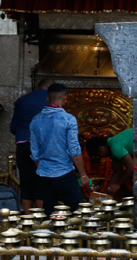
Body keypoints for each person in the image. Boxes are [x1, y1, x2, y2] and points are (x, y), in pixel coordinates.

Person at [29, 83, 91, 207]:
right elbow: (74, 149)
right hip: (64, 173)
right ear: (65, 99)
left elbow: (34, 152)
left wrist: (44, 169)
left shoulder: (35, 120)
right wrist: (83, 175)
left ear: (47, 98)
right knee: (76, 211)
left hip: (44, 174)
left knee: (48, 212)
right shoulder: (68, 119)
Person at [11, 78, 53, 209]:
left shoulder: (22, 100)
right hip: (42, 146)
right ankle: (40, 220)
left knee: (26, 182)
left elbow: (13, 127)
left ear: (36, 86)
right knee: (42, 182)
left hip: (23, 144)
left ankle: (27, 219)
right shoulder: (51, 100)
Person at [86, 128, 134, 199]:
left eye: (98, 155)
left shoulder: (115, 147)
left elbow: (132, 167)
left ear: (101, 148)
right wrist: (107, 192)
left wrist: (118, 184)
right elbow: (117, 172)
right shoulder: (112, 150)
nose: (101, 157)